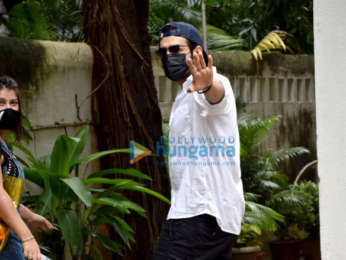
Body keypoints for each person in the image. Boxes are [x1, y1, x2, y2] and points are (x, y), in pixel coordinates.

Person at [153, 22, 245, 259]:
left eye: (175, 49)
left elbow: (216, 97)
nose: (168, 56)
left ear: (197, 52)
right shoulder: (183, 95)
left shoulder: (215, 82)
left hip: (202, 213)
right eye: (163, 52)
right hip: (198, 213)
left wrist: (206, 86)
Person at [0, 76, 53, 260]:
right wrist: (27, 237)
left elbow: (8, 195)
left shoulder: (3, 141)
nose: (8, 108)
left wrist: (29, 216)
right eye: (1, 102)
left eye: (13, 103)